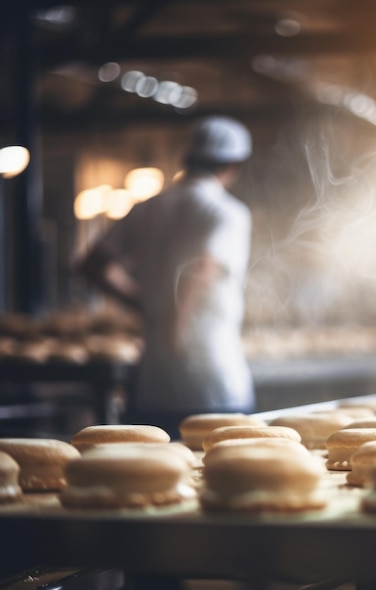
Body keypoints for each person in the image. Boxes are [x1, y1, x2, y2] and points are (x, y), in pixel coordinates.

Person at [79, 116, 256, 438]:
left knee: (153, 475)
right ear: (233, 165)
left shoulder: (149, 207)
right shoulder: (227, 212)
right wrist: (177, 326)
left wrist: (143, 301)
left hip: (153, 382)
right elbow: (202, 268)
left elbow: (93, 264)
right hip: (212, 378)